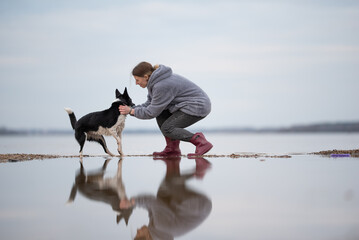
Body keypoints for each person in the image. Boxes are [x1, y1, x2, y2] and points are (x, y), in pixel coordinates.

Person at [119, 62, 213, 157]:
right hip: (188, 105)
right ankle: (172, 149)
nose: (136, 83)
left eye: (137, 80)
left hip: (198, 107)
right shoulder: (155, 83)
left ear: (146, 77)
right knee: (161, 112)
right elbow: (151, 104)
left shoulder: (161, 85)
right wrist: (132, 108)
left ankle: (201, 142)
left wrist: (131, 111)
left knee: (167, 128)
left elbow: (151, 112)